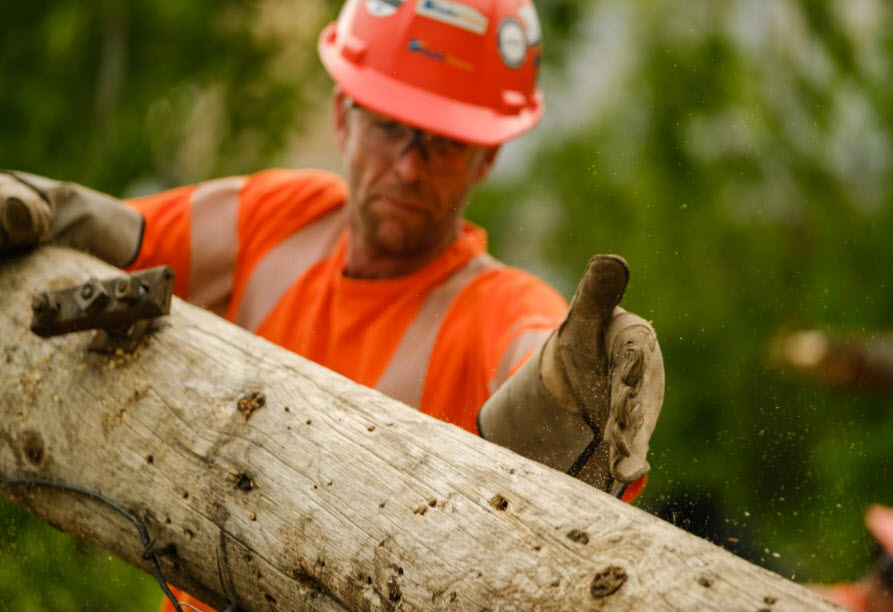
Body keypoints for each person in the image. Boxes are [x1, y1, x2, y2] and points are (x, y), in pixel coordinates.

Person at [0, 1, 664, 610]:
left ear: (484, 157)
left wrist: (579, 391)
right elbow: (122, 236)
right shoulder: (278, 220)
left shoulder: (497, 307)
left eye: (441, 142)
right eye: (389, 128)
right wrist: (41, 207)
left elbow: (538, 353)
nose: (408, 166)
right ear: (344, 115)